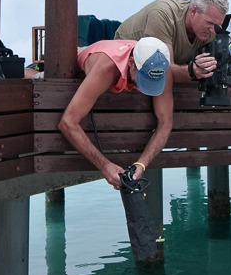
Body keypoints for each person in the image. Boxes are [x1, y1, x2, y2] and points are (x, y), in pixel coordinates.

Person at [58, 37, 172, 191]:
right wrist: (105, 166)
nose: (144, 87)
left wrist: (142, 163)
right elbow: (68, 122)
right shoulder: (107, 68)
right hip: (87, 55)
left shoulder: (160, 66)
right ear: (131, 62)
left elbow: (165, 123)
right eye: (143, 79)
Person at [114, 0, 229, 84]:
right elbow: (163, 71)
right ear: (193, 11)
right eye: (209, 23)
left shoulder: (212, 29)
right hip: (123, 63)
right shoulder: (162, 15)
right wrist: (192, 70)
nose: (213, 31)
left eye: (217, 26)